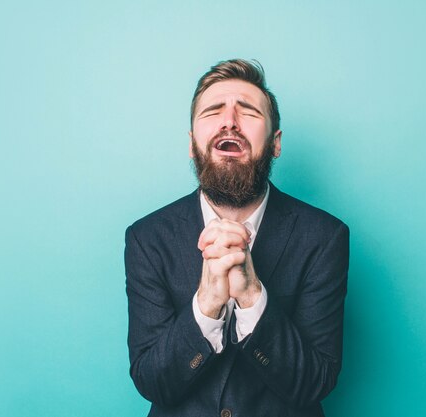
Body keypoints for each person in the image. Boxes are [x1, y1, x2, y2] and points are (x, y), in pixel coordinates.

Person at [125, 59, 349, 417]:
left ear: (275, 143)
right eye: (213, 111)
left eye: (247, 112)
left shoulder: (324, 237)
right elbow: (153, 382)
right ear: (191, 143)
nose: (229, 121)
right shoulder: (146, 238)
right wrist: (206, 306)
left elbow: (314, 383)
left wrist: (251, 296)